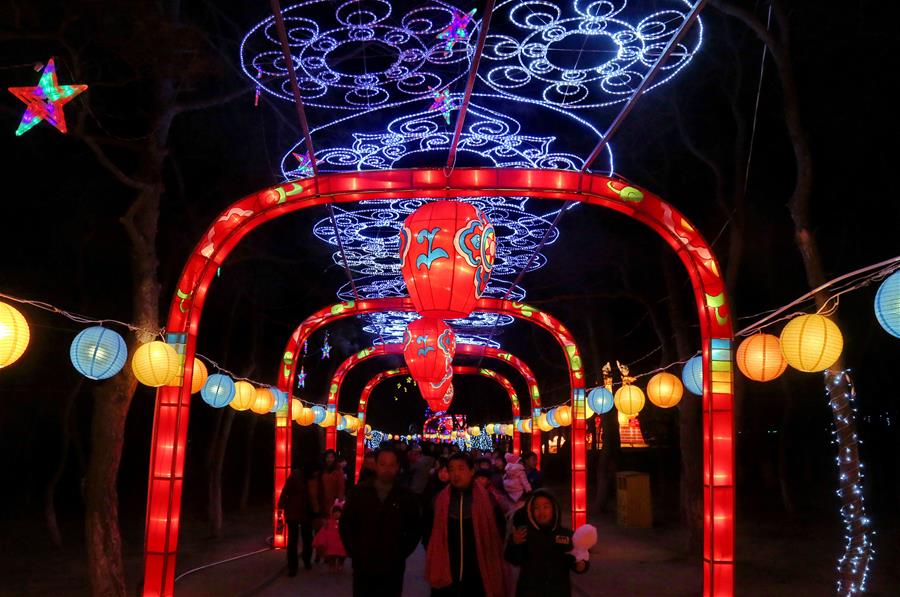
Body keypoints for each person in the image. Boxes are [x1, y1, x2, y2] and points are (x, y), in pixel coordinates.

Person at [340, 447, 423, 597]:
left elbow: (415, 529)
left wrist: (400, 552)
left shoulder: (406, 496)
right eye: (383, 464)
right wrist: (354, 551)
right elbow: (346, 524)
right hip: (363, 563)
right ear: (375, 465)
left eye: (391, 465)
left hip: (393, 564)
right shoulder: (360, 492)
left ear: (398, 467)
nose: (387, 469)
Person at [426, 453, 511, 597]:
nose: (455, 474)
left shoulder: (487, 501)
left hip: (478, 574)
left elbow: (498, 534)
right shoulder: (439, 501)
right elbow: (428, 531)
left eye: (461, 468)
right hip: (447, 570)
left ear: (472, 471)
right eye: (451, 469)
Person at [505, 490, 588, 597]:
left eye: (546, 507)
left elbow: (578, 557)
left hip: (559, 591)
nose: (541, 511)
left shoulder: (567, 535)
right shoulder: (523, 534)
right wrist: (514, 543)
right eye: (536, 508)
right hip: (529, 591)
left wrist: (581, 566)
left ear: (554, 509)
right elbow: (513, 560)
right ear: (530, 510)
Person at [277, 468, 317, 576]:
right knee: (306, 538)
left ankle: (293, 566)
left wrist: (281, 505)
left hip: (295, 511)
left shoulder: (296, 475)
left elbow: (286, 490)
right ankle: (305, 561)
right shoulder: (313, 476)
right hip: (305, 512)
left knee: (295, 540)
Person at [312, 500, 348, 572]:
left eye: (338, 512)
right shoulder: (329, 522)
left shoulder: (344, 522)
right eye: (335, 512)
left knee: (342, 556)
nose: (336, 514)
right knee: (332, 556)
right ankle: (332, 566)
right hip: (331, 544)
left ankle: (340, 565)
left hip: (341, 544)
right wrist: (320, 541)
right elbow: (323, 532)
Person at [318, 449, 346, 520]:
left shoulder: (338, 470)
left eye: (331, 457)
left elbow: (341, 486)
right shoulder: (322, 470)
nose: (329, 460)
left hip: (334, 501)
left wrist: (339, 501)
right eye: (328, 457)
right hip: (323, 501)